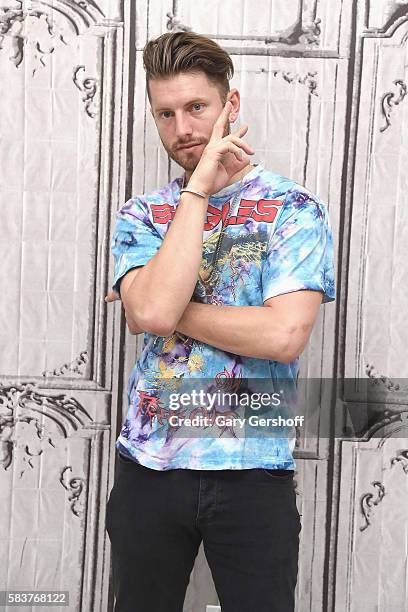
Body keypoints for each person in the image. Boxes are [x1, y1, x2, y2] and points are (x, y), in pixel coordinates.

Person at [104, 31, 335, 612]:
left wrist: (161, 311)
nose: (182, 129)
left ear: (231, 106)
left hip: (253, 469)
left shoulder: (293, 209)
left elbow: (283, 336)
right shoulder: (141, 215)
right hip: (149, 468)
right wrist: (199, 191)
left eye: (196, 108)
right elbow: (150, 311)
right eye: (166, 113)